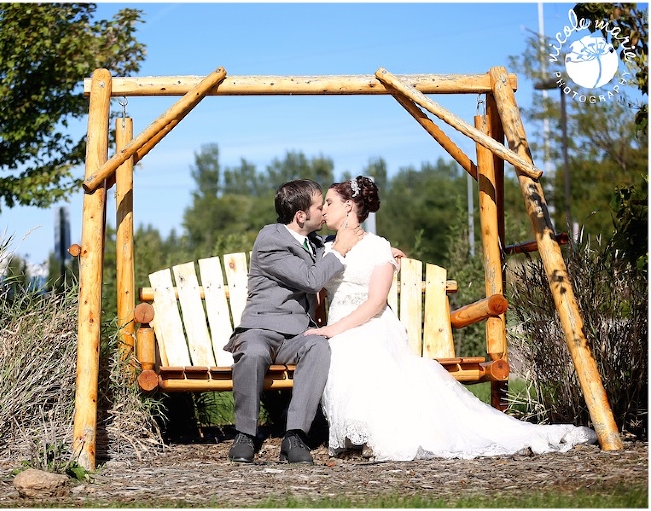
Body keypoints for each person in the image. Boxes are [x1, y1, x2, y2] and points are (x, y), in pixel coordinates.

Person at [306, 175, 597, 461]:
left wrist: (333, 329)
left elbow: (376, 302)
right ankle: (359, 433)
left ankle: (376, 434)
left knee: (359, 349)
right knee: (341, 350)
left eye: (329, 203)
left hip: (370, 324)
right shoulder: (325, 247)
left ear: (348, 206)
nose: (323, 209)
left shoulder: (376, 246)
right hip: (339, 327)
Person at [224, 179, 364, 464]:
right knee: (253, 353)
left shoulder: (314, 242)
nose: (324, 211)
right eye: (318, 206)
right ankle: (245, 434)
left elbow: (337, 248)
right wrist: (339, 250)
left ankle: (295, 435)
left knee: (319, 347)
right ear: (301, 216)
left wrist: (383, 250)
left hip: (298, 333)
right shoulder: (270, 240)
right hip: (260, 329)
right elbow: (311, 279)